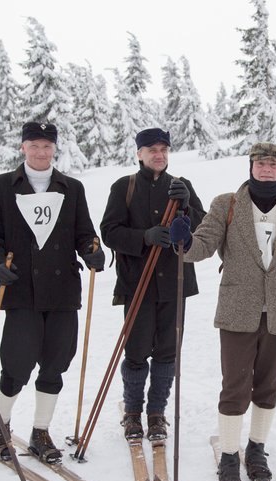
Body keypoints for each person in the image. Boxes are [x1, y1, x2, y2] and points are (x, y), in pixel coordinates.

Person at [169, 142, 276, 481]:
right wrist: (181, 242)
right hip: (238, 308)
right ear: (251, 166)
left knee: (269, 384)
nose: (267, 169)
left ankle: (256, 448)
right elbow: (202, 247)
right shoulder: (226, 204)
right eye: (261, 163)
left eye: (274, 164)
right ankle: (230, 455)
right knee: (235, 385)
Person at [0, 121, 105, 464]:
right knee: (16, 365)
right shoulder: (1, 187)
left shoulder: (71, 188)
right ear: (23, 147)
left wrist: (92, 250)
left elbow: (84, 232)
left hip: (62, 291)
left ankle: (40, 431)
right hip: (20, 290)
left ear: (54, 149)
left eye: (46, 146)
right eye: (33, 145)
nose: (40, 152)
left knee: (56, 363)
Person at [100, 128, 205, 443]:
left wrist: (186, 207)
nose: (159, 155)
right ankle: (133, 413)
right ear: (139, 154)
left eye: (163, 149)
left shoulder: (181, 186)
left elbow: (203, 229)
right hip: (138, 283)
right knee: (136, 351)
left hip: (175, 283)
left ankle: (157, 414)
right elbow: (109, 231)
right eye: (151, 150)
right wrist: (143, 237)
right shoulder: (124, 187)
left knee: (167, 351)